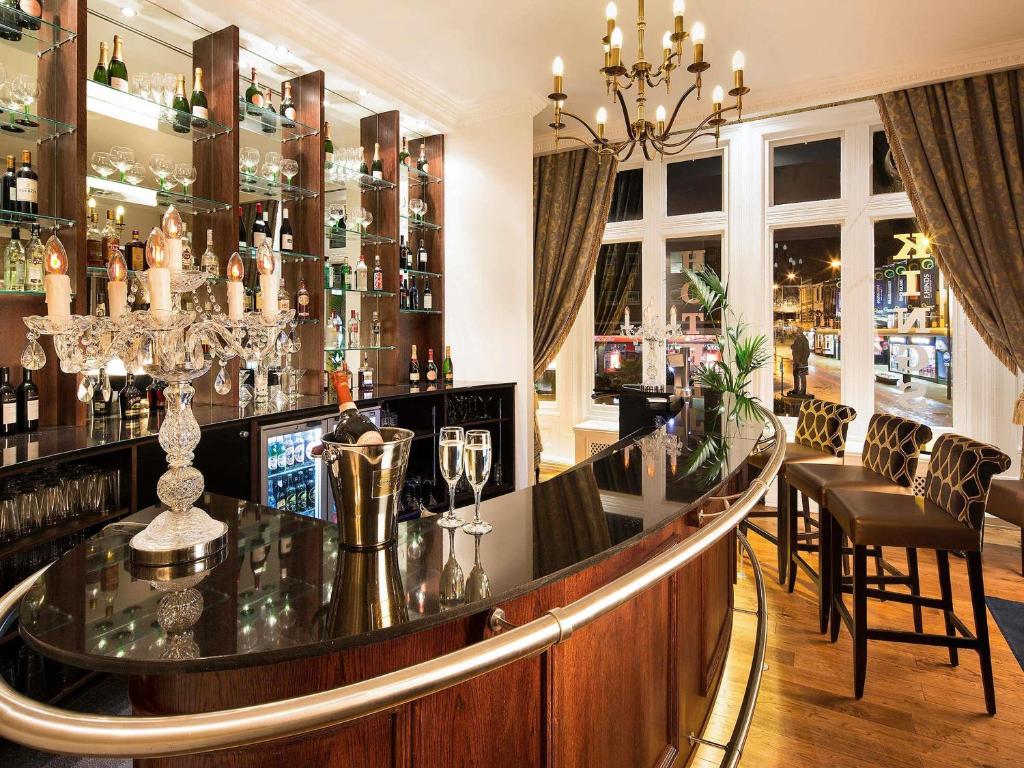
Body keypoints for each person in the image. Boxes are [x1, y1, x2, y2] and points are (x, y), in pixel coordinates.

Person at [790, 332, 810, 396]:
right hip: (796, 361)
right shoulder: (797, 339)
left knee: (802, 376)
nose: (796, 334)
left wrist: (802, 361)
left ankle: (803, 391)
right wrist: (792, 346)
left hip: (802, 362)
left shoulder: (804, 340)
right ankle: (796, 389)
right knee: (795, 375)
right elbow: (795, 347)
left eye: (798, 333)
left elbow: (807, 352)